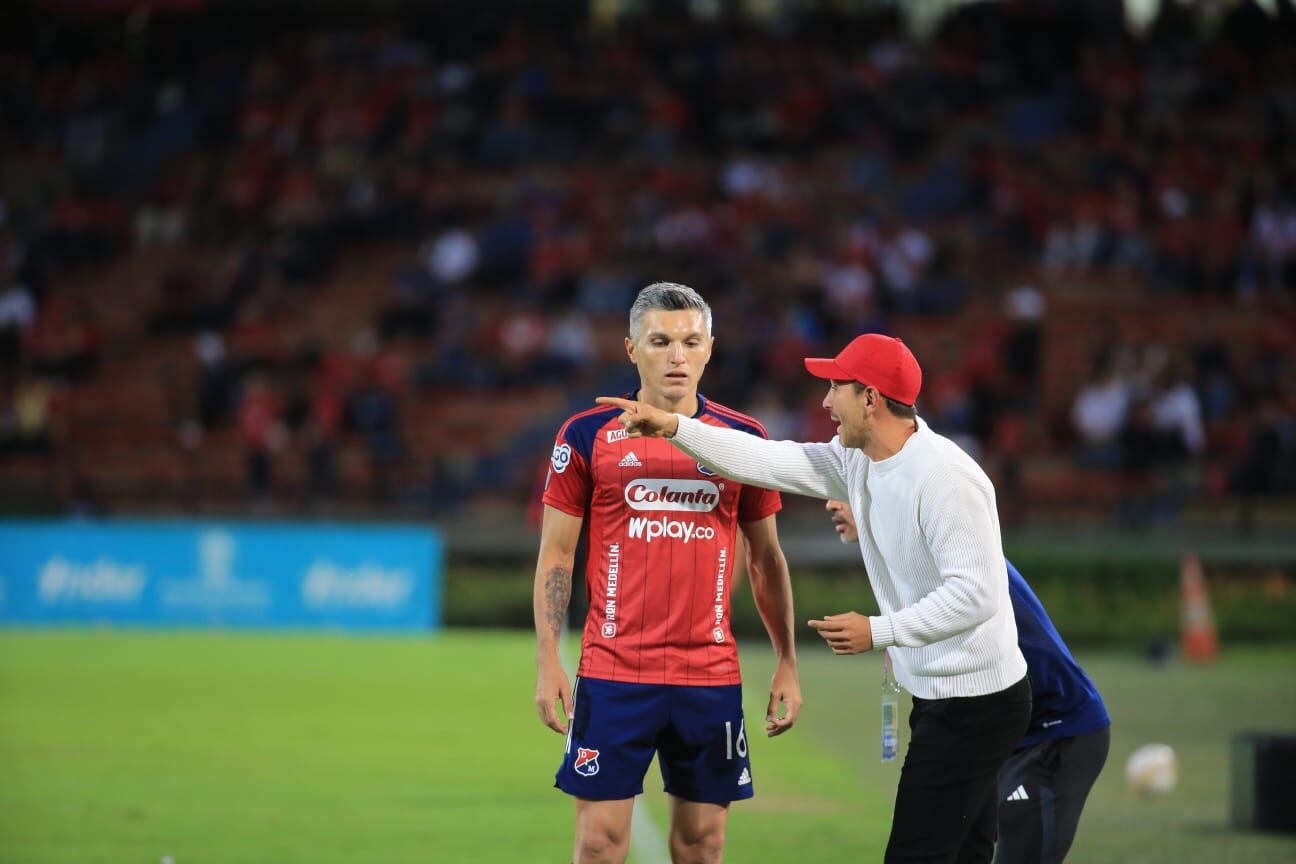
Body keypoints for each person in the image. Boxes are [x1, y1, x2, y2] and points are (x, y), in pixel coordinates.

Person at [599, 332, 1031, 864]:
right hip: (945, 695)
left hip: (977, 704)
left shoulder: (945, 477)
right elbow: (763, 460)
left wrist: (878, 630)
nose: (825, 402)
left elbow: (977, 596)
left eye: (835, 388)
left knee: (916, 855)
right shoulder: (858, 459)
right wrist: (674, 427)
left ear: (870, 399)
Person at [534, 282, 801, 864]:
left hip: (708, 675)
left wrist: (787, 660)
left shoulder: (744, 440)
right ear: (631, 348)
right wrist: (548, 659)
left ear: (710, 349)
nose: (677, 355)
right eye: (660, 341)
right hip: (612, 672)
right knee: (600, 844)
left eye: (690, 341)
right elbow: (556, 555)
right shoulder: (585, 436)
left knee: (701, 846)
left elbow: (766, 559)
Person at [826, 499, 1111, 863]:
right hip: (998, 736)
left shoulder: (944, 557)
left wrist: (878, 631)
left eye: (845, 491)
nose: (832, 504)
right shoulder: (911, 560)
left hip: (1056, 731)